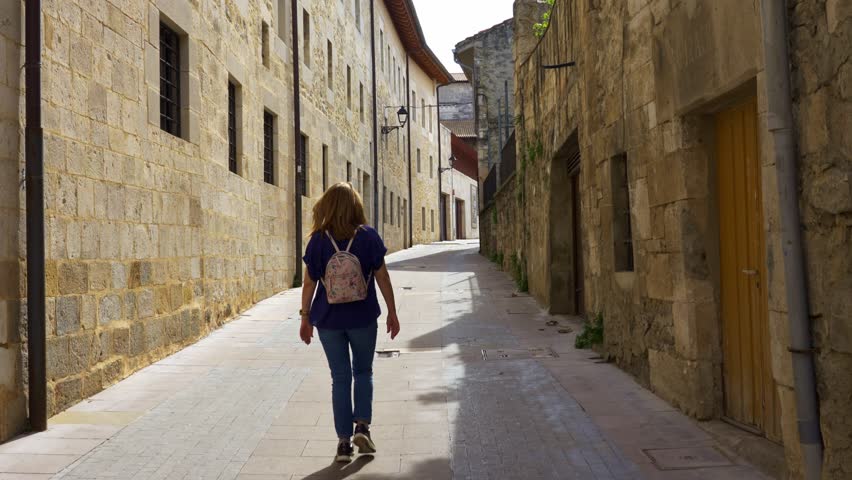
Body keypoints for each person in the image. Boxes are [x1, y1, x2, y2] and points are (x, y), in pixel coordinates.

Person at [299, 182, 401, 463]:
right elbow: (383, 277)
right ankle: (363, 427)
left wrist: (305, 318)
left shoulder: (318, 240)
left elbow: (308, 283)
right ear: (356, 205)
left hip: (328, 319)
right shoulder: (368, 236)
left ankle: (343, 444)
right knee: (364, 372)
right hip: (363, 316)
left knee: (340, 378)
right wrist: (392, 312)